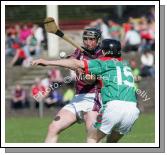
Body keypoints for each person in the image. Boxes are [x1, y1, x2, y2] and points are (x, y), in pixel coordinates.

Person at [31, 39, 140, 143]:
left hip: (113, 107)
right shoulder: (125, 66)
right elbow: (91, 77)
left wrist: (47, 62)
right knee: (112, 141)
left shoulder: (104, 62)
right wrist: (82, 72)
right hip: (132, 110)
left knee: (92, 138)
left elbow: (75, 63)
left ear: (104, 51)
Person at [33, 28, 103, 143]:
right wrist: (48, 62)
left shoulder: (102, 55)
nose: (88, 42)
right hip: (77, 99)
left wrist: (82, 70)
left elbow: (90, 81)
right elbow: (70, 62)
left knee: (92, 137)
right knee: (53, 127)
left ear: (98, 40)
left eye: (91, 39)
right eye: (85, 39)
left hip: (94, 100)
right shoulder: (79, 52)